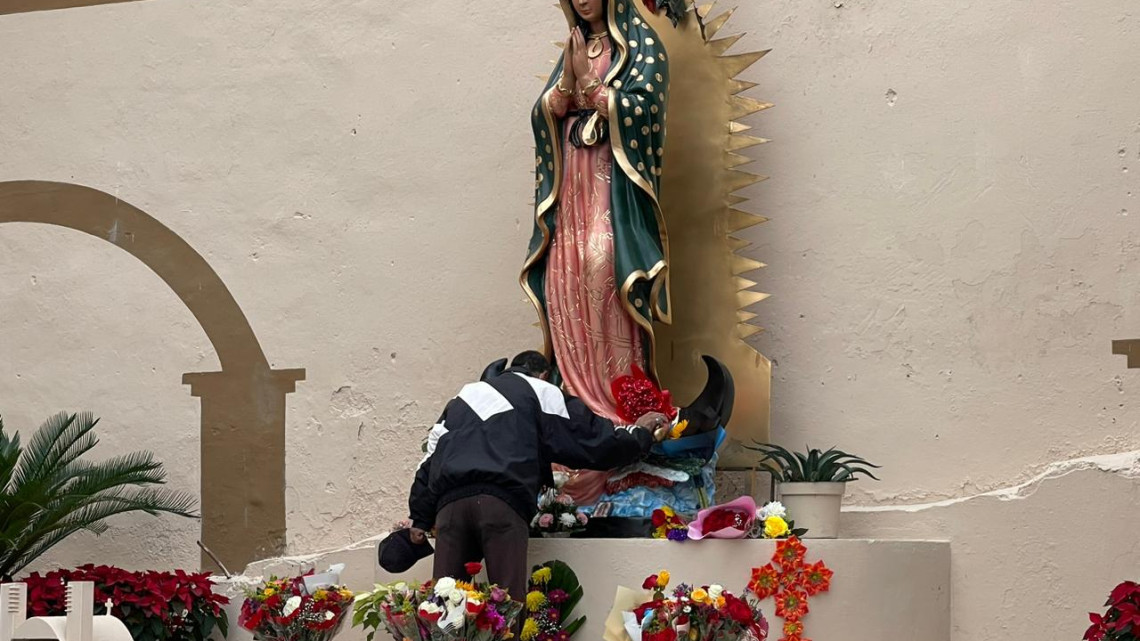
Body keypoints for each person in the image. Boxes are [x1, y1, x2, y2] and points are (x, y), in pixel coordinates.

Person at [520, 0, 672, 505]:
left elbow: (648, 106)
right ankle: (578, 416)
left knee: (605, 274)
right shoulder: (573, 47)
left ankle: (617, 412)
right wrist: (564, 92)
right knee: (565, 284)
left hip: (612, 192)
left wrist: (604, 97)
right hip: (573, 194)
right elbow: (545, 111)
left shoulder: (640, 43)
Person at [401, 350, 669, 602]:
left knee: (445, 608)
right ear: (544, 374)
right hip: (501, 504)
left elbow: (430, 459)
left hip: (450, 509)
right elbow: (591, 439)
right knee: (505, 604)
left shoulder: (464, 396)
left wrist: (421, 517)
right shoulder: (540, 390)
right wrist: (639, 435)